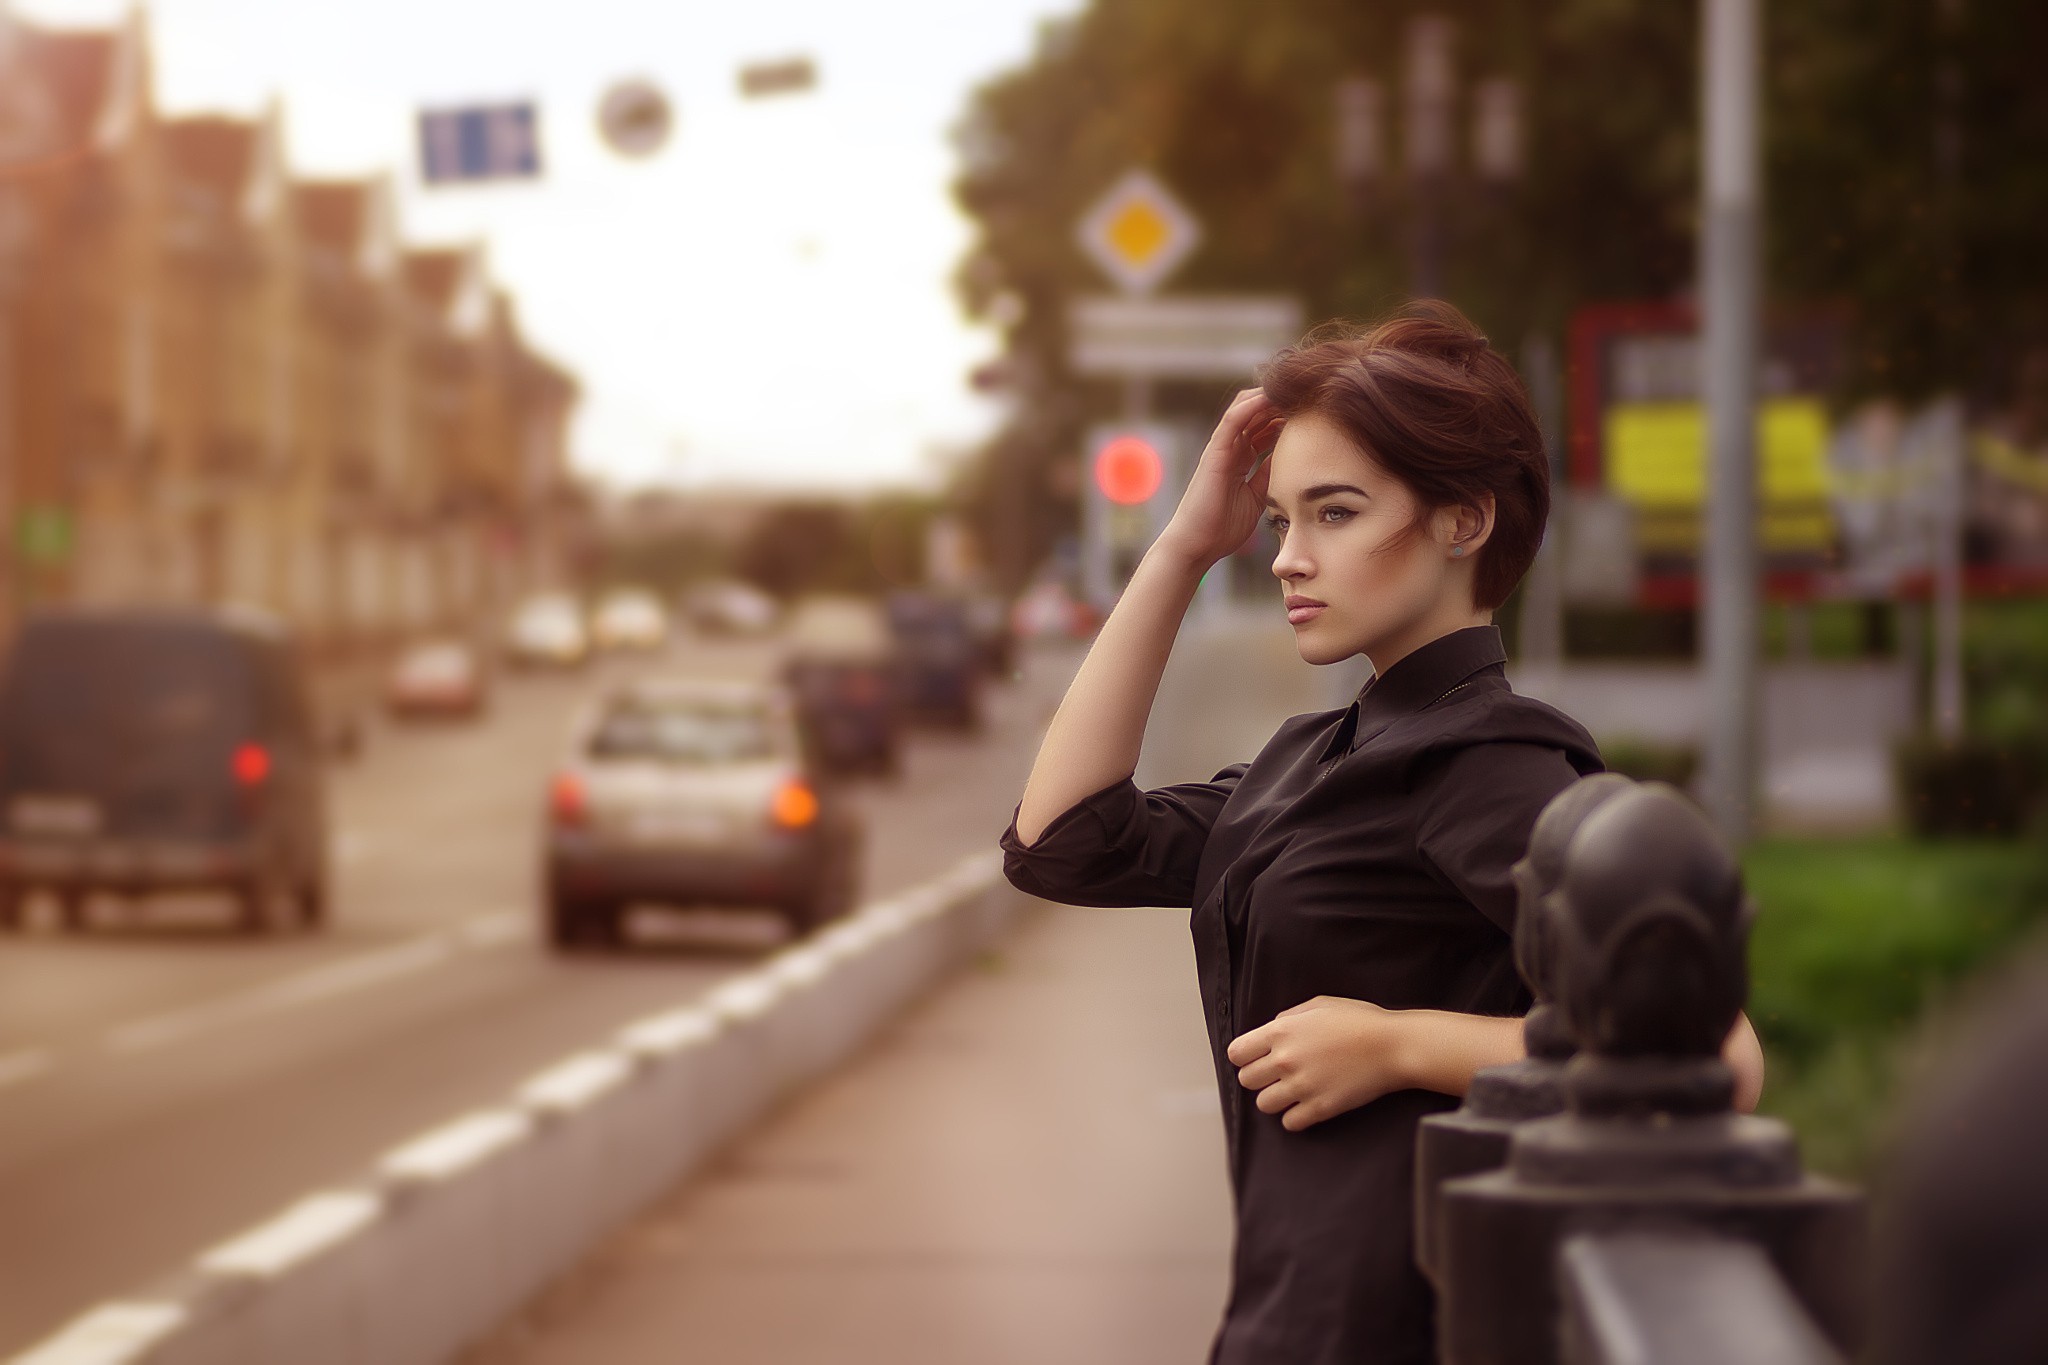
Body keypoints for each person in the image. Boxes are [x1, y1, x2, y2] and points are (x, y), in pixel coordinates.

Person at [1000, 302, 1765, 1364]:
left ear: (1462, 521)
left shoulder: (1494, 767)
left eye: (1335, 513)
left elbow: (1716, 1058)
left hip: (1402, 1327)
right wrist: (1181, 547)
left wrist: (1400, 1044)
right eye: (1278, 522)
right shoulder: (1312, 758)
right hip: (1281, 1319)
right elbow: (1062, 842)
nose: (1285, 559)